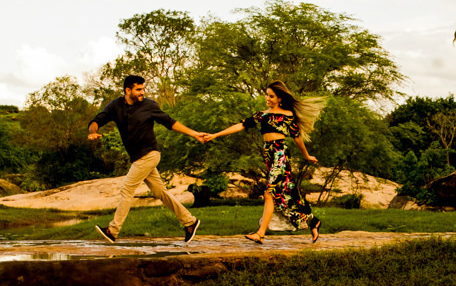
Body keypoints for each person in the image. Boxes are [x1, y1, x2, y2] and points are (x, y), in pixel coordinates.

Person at [201, 80, 324, 243]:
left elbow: (297, 138)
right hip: (269, 155)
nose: (267, 98)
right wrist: (215, 135)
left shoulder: (288, 116)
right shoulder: (262, 115)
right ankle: (313, 221)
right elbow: (240, 126)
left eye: (271, 96)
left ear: (279, 98)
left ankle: (260, 233)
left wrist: (307, 156)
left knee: (269, 193)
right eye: (267, 95)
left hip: (280, 153)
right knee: (286, 194)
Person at [88, 75, 203, 243]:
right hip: (137, 158)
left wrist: (194, 133)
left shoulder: (149, 106)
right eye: (138, 89)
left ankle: (113, 230)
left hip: (149, 154)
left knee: (127, 189)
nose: (142, 92)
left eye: (143, 89)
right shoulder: (116, 106)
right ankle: (190, 221)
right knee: (159, 192)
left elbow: (170, 122)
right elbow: (97, 120)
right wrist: (92, 132)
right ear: (128, 90)